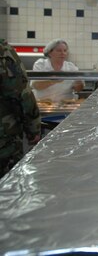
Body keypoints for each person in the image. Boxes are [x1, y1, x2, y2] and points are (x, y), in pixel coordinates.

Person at [0, 39, 41, 178]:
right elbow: (20, 93)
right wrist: (33, 129)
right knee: (8, 189)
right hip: (4, 141)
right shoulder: (3, 51)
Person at [31, 39, 84, 103]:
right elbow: (36, 86)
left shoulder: (71, 67)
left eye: (65, 51)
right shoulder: (41, 64)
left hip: (65, 105)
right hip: (43, 104)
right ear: (49, 53)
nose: (63, 53)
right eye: (59, 51)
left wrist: (79, 84)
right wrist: (53, 80)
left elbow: (78, 89)